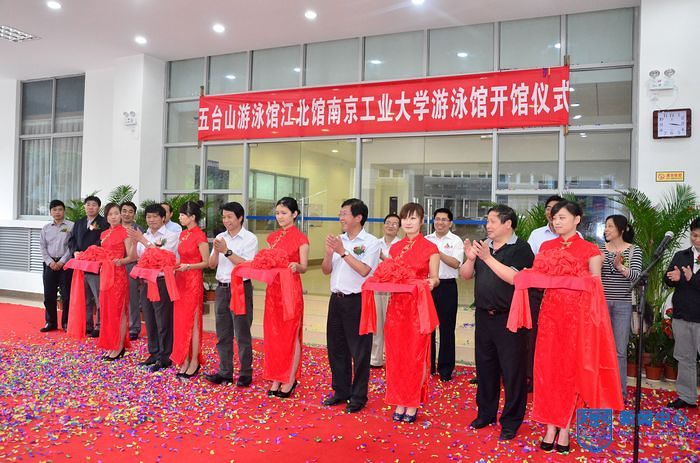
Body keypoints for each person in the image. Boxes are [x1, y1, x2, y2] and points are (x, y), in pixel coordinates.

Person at [532, 200, 605, 453]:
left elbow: (596, 288)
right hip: (550, 316)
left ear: (577, 219)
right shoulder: (546, 246)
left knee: (570, 372)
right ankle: (549, 425)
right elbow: (539, 279)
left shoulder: (590, 250)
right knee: (548, 370)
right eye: (554, 217)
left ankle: (564, 427)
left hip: (577, 318)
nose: (557, 221)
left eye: (562, 217)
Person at [460, 205, 533, 441]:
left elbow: (515, 278)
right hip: (483, 315)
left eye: (492, 221)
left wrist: (487, 258)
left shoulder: (521, 248)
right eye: (487, 221)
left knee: (512, 371)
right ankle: (486, 413)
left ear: (507, 224)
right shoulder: (484, 245)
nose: (487, 225)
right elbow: (465, 275)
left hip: (509, 317)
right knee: (485, 368)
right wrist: (470, 259)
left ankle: (511, 421)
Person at [321, 199, 381, 413]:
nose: (341, 218)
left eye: (345, 214)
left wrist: (343, 252)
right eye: (340, 214)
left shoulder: (371, 242)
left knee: (360, 351)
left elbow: (364, 270)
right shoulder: (340, 240)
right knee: (336, 348)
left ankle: (358, 396)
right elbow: (326, 270)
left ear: (358, 217)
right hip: (336, 300)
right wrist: (329, 253)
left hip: (358, 301)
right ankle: (341, 391)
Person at [384, 202, 440, 423]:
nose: (408, 222)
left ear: (422, 221)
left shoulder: (430, 248)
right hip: (396, 309)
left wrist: (430, 283)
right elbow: (389, 275)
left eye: (413, 218)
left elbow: (435, 278)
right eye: (405, 218)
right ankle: (399, 399)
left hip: (418, 308)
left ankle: (412, 401)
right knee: (396, 355)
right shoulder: (394, 248)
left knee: (416, 356)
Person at [204, 202, 258, 387]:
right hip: (221, 288)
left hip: (240, 288)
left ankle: (245, 373)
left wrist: (226, 251)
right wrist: (215, 250)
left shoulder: (249, 238)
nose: (226, 220)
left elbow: (246, 264)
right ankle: (225, 371)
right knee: (223, 332)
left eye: (230, 217)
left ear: (240, 218)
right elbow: (212, 264)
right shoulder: (220, 237)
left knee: (242, 333)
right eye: (224, 217)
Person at [264, 197, 309, 398]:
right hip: (273, 290)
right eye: (277, 213)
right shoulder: (272, 237)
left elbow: (304, 267)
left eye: (284, 213)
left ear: (294, 214)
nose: (280, 217)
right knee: (274, 335)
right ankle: (276, 376)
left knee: (291, 333)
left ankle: (290, 378)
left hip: (290, 289)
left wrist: (296, 266)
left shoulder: (301, 238)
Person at [127, 203, 181, 372]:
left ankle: (165, 356)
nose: (151, 220)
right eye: (148, 217)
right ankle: (154, 352)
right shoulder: (144, 235)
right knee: (149, 318)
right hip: (145, 281)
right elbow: (136, 257)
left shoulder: (171, 235)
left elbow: (162, 255)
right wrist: (135, 242)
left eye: (155, 216)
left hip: (161, 281)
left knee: (163, 319)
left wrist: (142, 240)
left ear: (163, 218)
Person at [600, 214, 642, 399]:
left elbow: (637, 277)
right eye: (605, 226)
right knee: (601, 349)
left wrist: (620, 267)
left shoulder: (633, 250)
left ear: (622, 229)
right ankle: (601, 390)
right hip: (601, 304)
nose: (606, 229)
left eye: (610, 226)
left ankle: (619, 392)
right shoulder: (600, 249)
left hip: (623, 306)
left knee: (619, 351)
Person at [664, 217, 700, 410]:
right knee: (685, 358)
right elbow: (667, 279)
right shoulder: (681, 255)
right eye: (694, 235)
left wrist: (690, 278)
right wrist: (674, 278)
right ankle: (687, 397)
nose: (697, 240)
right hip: (682, 315)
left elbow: (693, 281)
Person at [171, 201, 209, 378]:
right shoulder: (183, 234)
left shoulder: (200, 236)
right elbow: (181, 257)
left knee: (193, 323)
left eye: (182, 215)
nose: (180, 217)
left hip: (193, 281)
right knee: (181, 321)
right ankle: (184, 358)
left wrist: (189, 266)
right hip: (181, 279)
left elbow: (206, 262)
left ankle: (194, 360)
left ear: (192, 217)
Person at [426, 208, 463, 382]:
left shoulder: (456, 241)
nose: (440, 222)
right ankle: (428, 366)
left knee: (447, 329)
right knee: (428, 329)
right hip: (428, 286)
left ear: (450, 223)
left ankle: (446, 369)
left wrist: (436, 252)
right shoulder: (426, 239)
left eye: (444, 219)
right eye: (437, 219)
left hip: (447, 287)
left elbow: (456, 263)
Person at [97, 203, 137, 361]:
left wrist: (121, 261)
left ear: (120, 215)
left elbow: (132, 256)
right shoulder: (104, 233)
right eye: (110, 214)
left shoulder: (125, 232)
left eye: (116, 213)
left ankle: (119, 346)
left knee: (118, 311)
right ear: (106, 217)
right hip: (105, 274)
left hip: (118, 275)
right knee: (107, 311)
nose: (113, 217)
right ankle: (110, 344)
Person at [69, 195, 108, 337]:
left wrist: (89, 252)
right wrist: (75, 251)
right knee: (85, 297)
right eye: (88, 204)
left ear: (99, 207)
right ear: (84, 207)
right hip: (80, 264)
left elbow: (103, 241)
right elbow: (72, 240)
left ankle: (99, 325)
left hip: (95, 264)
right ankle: (87, 324)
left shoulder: (104, 223)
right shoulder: (79, 222)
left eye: (94, 205)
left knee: (98, 296)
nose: (90, 207)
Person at [370, 213, 400, 368]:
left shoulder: (401, 245)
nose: (390, 226)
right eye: (388, 222)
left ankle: (393, 358)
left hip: (395, 290)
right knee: (377, 324)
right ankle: (375, 359)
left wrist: (383, 257)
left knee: (393, 325)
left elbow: (399, 267)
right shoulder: (375, 243)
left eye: (394, 224)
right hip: (377, 287)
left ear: (399, 228)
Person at [39, 199, 74, 332]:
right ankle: (50, 322)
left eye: (60, 209)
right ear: (51, 212)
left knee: (66, 296)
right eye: (54, 210)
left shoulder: (71, 226)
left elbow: (72, 246)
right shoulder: (46, 228)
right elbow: (43, 247)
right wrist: (50, 262)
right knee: (49, 295)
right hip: (50, 264)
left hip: (65, 265)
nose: (57, 212)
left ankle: (66, 323)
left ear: (64, 211)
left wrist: (62, 261)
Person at [121, 201, 145, 341]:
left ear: (134, 214)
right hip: (116, 266)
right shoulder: (114, 227)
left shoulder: (139, 229)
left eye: (130, 211)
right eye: (124, 211)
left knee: (132, 298)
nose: (127, 214)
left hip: (132, 266)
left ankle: (134, 327)